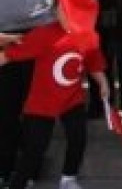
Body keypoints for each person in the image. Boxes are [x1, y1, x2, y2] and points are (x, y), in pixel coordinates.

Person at [0, 17, 109, 189]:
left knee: (78, 137)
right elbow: (9, 55)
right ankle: (19, 183)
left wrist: (103, 82)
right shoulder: (44, 33)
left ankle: (69, 177)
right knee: (34, 148)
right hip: (43, 101)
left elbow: (93, 61)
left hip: (72, 99)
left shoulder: (87, 35)